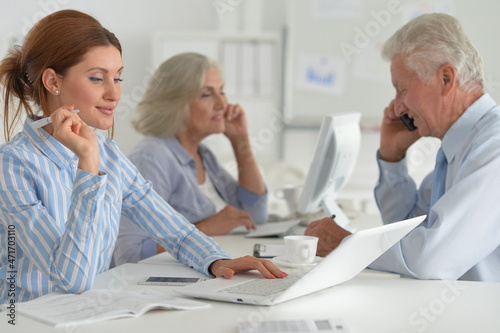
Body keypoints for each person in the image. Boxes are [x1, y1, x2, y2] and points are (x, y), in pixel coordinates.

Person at [0, 10, 286, 304]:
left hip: (86, 313)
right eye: (97, 78)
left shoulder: (108, 154)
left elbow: (173, 229)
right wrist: (88, 164)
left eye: (118, 78)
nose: (115, 93)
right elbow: (71, 279)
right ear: (52, 81)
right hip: (26, 319)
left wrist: (216, 261)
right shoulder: (12, 165)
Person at [305, 13, 500, 282]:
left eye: (402, 89)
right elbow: (404, 231)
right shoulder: (459, 148)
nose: (397, 108)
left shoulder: (493, 148)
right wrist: (392, 156)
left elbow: (430, 260)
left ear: (445, 79)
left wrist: (346, 245)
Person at [113, 53, 268, 265]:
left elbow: (255, 215)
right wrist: (206, 228)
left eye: (222, 92)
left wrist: (240, 141)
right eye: (207, 94)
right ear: (175, 103)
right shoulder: (152, 157)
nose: (223, 103)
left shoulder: (202, 154)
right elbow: (129, 254)